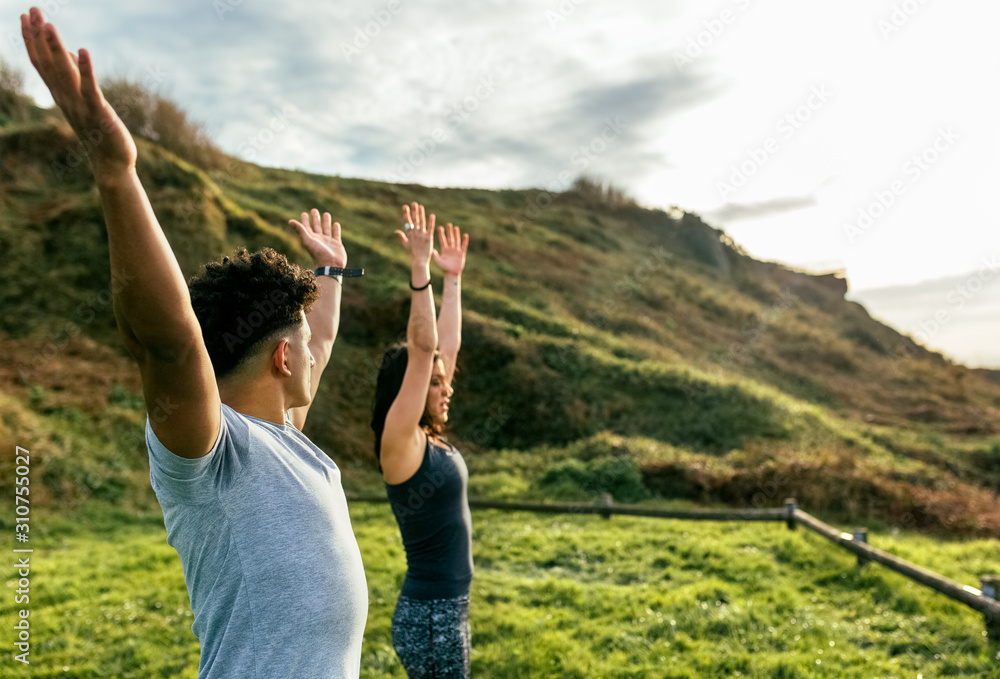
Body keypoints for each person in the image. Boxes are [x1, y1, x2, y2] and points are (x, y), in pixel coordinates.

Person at [19, 8, 367, 678]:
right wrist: (117, 172)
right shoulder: (211, 452)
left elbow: (316, 333)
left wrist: (329, 274)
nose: (318, 354)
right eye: (304, 346)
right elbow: (170, 342)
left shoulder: (289, 433)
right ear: (280, 358)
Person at [371, 203, 473, 678]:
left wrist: (451, 280)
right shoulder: (401, 443)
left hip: (448, 610)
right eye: (434, 382)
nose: (445, 385)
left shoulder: (427, 437)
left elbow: (443, 350)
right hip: (430, 617)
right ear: (407, 390)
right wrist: (419, 269)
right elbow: (426, 348)